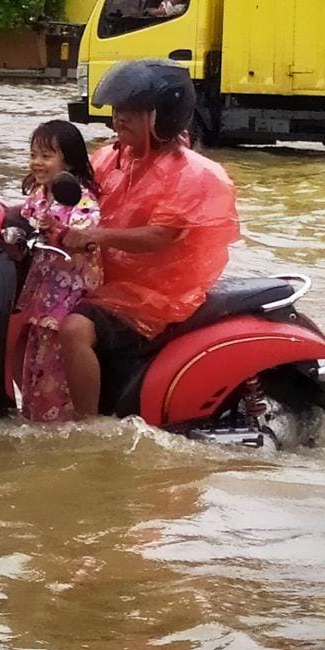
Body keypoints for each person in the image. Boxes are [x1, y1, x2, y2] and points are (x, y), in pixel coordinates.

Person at [56, 59, 240, 420]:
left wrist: (95, 236)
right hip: (105, 283)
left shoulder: (193, 174)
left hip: (155, 297)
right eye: (117, 109)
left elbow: (159, 236)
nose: (118, 118)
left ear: (163, 116)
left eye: (131, 110)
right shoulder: (112, 157)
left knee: (74, 329)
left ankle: (87, 429)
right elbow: (79, 194)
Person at [16, 120, 103, 423]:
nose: (37, 163)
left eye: (46, 156)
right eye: (34, 155)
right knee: (32, 359)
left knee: (53, 367)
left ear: (67, 159)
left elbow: (87, 231)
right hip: (42, 291)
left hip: (66, 295)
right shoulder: (42, 193)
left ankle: (60, 428)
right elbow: (26, 217)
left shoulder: (78, 196)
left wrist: (64, 233)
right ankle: (33, 418)